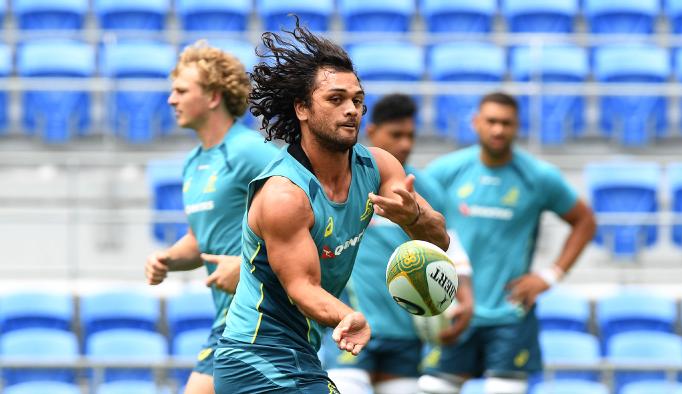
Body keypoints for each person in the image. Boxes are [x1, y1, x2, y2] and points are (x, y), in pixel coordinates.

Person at [213, 18, 470, 393]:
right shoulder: (285, 194)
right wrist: (347, 315)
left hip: (299, 355)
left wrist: (413, 216)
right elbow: (302, 286)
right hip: (256, 357)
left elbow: (439, 241)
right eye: (335, 99)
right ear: (301, 108)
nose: (351, 109)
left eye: (357, 100)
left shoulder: (379, 166)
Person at [418, 92, 596, 394]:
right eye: (491, 121)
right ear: (476, 123)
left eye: (506, 123)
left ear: (517, 127)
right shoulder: (446, 171)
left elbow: (585, 221)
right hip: (457, 310)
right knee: (432, 388)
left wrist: (550, 276)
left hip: (510, 314)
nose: (498, 129)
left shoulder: (538, 177)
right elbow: (417, 222)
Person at [144, 42, 278, 394]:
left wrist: (247, 268)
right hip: (227, 317)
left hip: (261, 315)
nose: (172, 100)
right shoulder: (192, 164)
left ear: (214, 96)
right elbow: (200, 238)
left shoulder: (249, 151)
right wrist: (168, 259)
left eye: (181, 90)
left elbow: (305, 217)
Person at [326, 93, 473, 394]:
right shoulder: (343, 180)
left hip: (405, 330)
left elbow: (451, 247)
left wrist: (465, 298)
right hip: (351, 322)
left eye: (410, 135)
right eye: (396, 135)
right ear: (372, 131)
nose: (405, 143)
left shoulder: (425, 187)